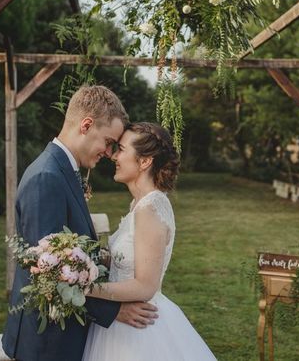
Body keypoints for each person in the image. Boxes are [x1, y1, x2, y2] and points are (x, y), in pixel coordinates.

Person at [2, 86, 159, 361]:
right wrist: (114, 311)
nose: (109, 153)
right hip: (45, 343)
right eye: (109, 142)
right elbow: (48, 271)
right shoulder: (47, 177)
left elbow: (68, 255)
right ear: (86, 125)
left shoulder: (64, 169)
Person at [82, 122, 216, 360]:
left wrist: (83, 288)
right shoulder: (140, 205)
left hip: (139, 329)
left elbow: (145, 286)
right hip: (122, 321)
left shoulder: (150, 209)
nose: (113, 156)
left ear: (145, 161)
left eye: (121, 149)